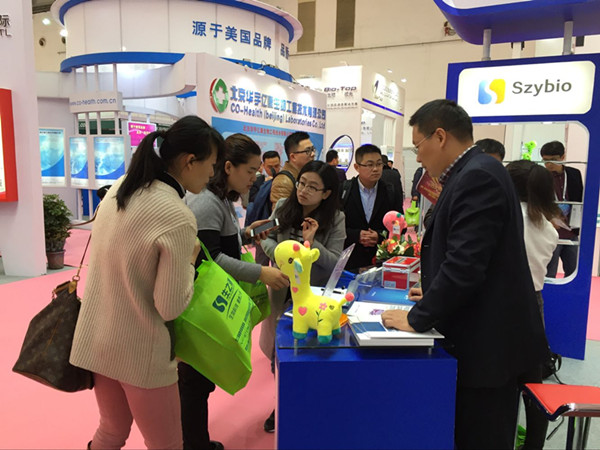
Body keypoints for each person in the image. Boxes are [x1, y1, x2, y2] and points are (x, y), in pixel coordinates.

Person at [381, 99, 549, 449]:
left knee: (481, 436)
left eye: (418, 146)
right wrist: (433, 291)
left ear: (440, 136)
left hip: (488, 346)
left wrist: (417, 317)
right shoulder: (474, 171)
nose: (419, 157)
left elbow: (466, 264)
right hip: (484, 335)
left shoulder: (477, 176)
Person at [69, 115, 224, 450]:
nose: (212, 174)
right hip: (141, 350)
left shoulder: (121, 187)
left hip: (97, 338)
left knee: (111, 431)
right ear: (189, 161)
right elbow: (169, 306)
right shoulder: (176, 214)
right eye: (211, 165)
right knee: (166, 444)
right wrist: (189, 261)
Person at [182, 133, 289, 450]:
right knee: (193, 382)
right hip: (199, 305)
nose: (255, 177)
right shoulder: (206, 201)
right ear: (228, 167)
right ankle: (194, 444)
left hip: (209, 301)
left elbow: (220, 242)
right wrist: (261, 272)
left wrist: (246, 234)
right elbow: (210, 258)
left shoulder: (221, 199)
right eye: (251, 170)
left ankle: (196, 441)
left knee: (200, 381)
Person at [259, 161, 346, 433]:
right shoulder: (283, 206)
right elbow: (265, 237)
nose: (303, 190)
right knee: (278, 351)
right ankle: (281, 404)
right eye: (302, 183)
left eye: (312, 187)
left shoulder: (336, 219)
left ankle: (308, 405)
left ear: (326, 193)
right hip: (281, 289)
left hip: (312, 297)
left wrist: (311, 242)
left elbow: (335, 262)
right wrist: (281, 255)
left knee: (308, 352)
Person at [507, 159, 561, 449]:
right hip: (534, 304)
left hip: (503, 303)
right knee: (533, 381)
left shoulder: (505, 219)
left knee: (501, 381)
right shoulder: (549, 229)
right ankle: (534, 443)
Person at [341, 144, 403, 272]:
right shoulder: (344, 190)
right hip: (350, 261)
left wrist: (379, 236)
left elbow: (401, 226)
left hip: (381, 261)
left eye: (379, 164)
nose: (375, 169)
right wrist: (356, 235)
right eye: (369, 165)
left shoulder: (390, 191)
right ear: (357, 167)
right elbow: (334, 227)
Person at [540, 140, 583, 278]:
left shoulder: (574, 174)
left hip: (571, 231)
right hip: (549, 231)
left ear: (563, 157)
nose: (549, 164)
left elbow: (579, 199)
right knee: (549, 273)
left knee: (573, 272)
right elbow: (536, 202)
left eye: (554, 159)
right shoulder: (540, 176)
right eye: (545, 160)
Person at [249, 150, 282, 266]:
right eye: (270, 167)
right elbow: (252, 202)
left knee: (279, 263)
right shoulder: (257, 181)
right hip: (262, 226)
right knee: (260, 264)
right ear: (263, 166)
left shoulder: (284, 181)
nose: (274, 169)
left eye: (277, 166)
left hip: (278, 228)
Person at [270, 131, 315, 207]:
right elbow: (280, 213)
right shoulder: (283, 182)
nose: (313, 154)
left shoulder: (304, 175)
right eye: (308, 151)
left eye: (312, 149)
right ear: (293, 157)